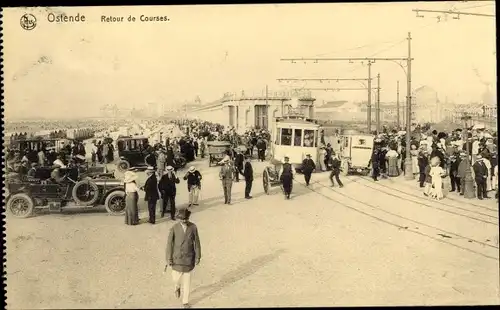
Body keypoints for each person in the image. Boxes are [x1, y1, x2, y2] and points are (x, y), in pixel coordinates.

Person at [165, 209, 201, 309]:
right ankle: (177, 286)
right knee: (176, 278)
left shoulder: (193, 227)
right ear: (179, 218)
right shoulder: (174, 228)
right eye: (182, 219)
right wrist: (169, 257)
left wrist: (198, 256)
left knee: (187, 280)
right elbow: (169, 244)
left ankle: (185, 301)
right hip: (177, 258)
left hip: (189, 258)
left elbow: (197, 242)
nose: (184, 221)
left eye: (186, 219)